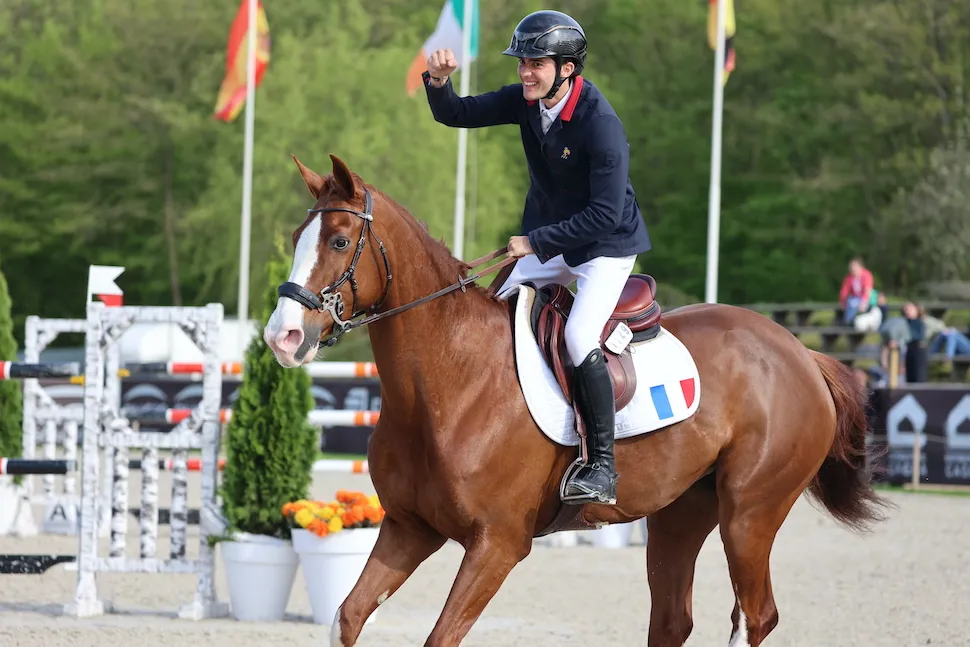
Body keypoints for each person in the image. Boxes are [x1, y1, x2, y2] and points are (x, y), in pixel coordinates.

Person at [422, 10, 652, 505]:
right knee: (490, 310)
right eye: (522, 62)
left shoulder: (601, 125)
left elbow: (605, 215)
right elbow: (455, 113)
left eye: (537, 63)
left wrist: (537, 241)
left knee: (576, 335)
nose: (525, 72)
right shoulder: (527, 101)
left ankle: (602, 467)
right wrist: (437, 81)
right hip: (550, 240)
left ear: (567, 68)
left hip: (604, 248)